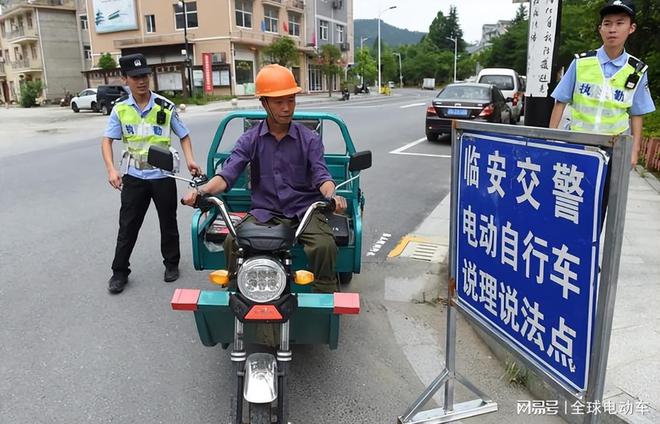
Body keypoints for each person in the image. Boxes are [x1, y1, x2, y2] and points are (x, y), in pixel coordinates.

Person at [182, 64, 346, 293]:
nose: (287, 108)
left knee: (324, 245)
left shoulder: (309, 139)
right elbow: (227, 175)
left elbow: (322, 176)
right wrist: (202, 192)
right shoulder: (250, 139)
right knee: (232, 242)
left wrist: (332, 195)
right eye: (279, 102)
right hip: (265, 212)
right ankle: (235, 291)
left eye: (291, 100)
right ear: (264, 103)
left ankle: (325, 294)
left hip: (304, 211)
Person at [102, 53, 201, 294]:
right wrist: (112, 169)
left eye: (145, 75)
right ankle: (119, 272)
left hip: (162, 176)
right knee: (127, 226)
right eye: (135, 77)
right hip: (134, 176)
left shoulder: (165, 106)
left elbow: (184, 135)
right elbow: (107, 141)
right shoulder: (120, 110)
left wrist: (190, 160)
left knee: (168, 222)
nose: (142, 81)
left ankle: (171, 264)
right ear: (126, 79)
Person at [549, 0, 656, 169]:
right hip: (577, 144)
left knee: (609, 194)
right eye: (607, 23)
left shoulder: (637, 70)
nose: (612, 29)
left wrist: (634, 151)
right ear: (601, 29)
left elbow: (637, 113)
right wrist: (551, 139)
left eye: (620, 23)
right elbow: (560, 102)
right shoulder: (581, 63)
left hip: (614, 148)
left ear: (631, 28)